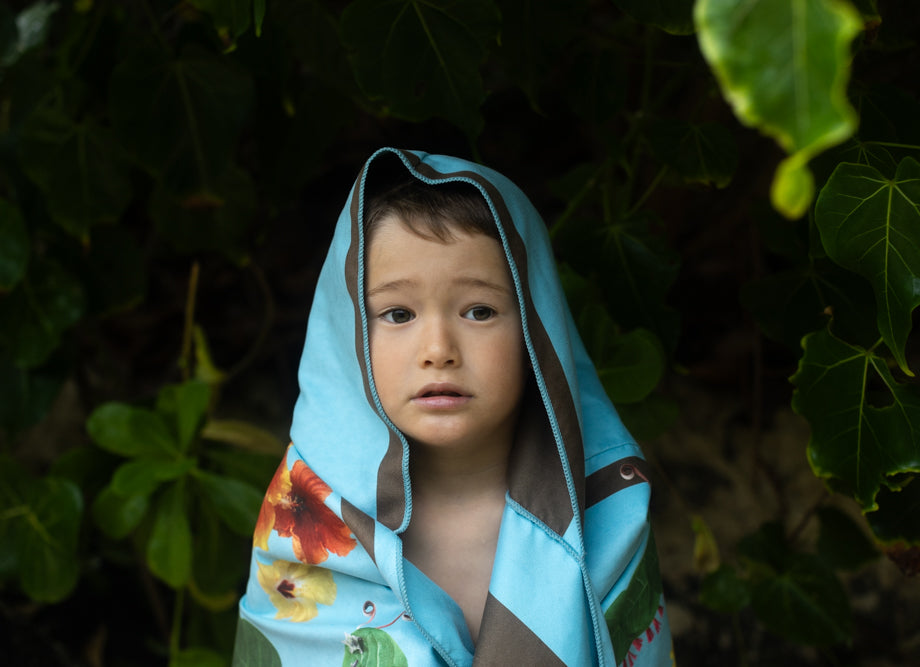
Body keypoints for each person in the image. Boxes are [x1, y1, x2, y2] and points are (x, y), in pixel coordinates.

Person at [234, 148, 674, 666]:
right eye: (398, 313)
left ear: (538, 328)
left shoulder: (607, 505)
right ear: (346, 333)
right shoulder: (302, 518)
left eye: (479, 310)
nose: (438, 348)